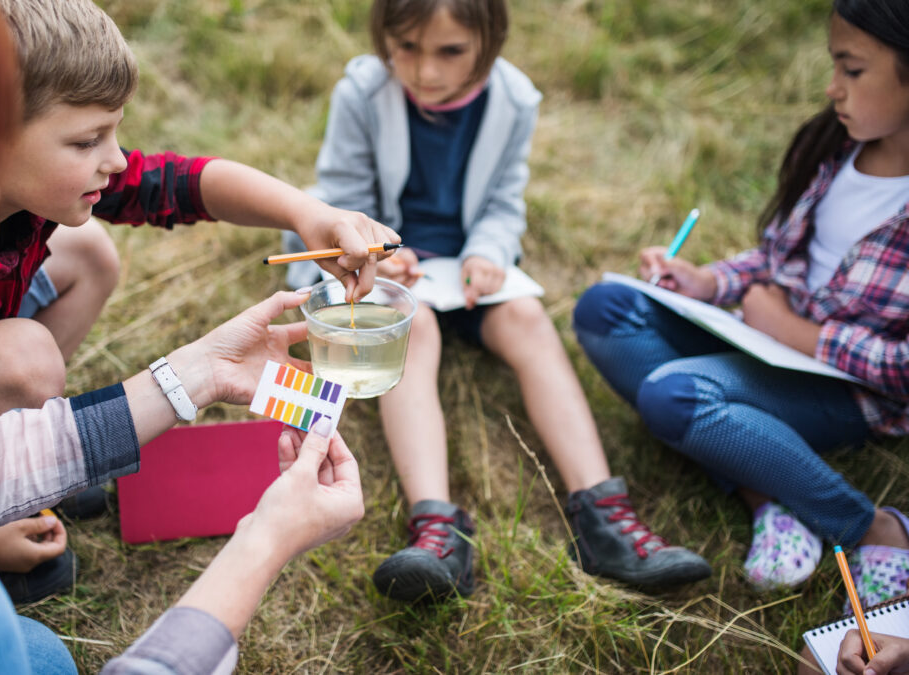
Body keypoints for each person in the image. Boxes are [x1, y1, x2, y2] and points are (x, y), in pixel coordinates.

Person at [0, 3, 365, 670]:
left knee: (88, 254)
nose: (114, 161)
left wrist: (303, 214)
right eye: (86, 142)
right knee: (22, 361)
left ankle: (31, 463)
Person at [284, 0, 711, 602]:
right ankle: (437, 529)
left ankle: (606, 520)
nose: (425, 70)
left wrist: (489, 253)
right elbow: (344, 196)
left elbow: (505, 202)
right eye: (406, 47)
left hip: (471, 272)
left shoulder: (514, 99)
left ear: (489, 40)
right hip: (393, 266)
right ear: (384, 37)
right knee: (414, 329)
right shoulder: (362, 91)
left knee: (530, 320)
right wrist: (379, 248)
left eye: (449, 51)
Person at [573, 0, 909, 602]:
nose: (832, 89)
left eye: (852, 71)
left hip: (848, 391)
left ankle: (870, 528)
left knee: (674, 394)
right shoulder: (837, 148)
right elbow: (778, 259)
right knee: (604, 307)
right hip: (765, 343)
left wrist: (791, 330)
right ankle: (769, 495)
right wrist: (707, 283)